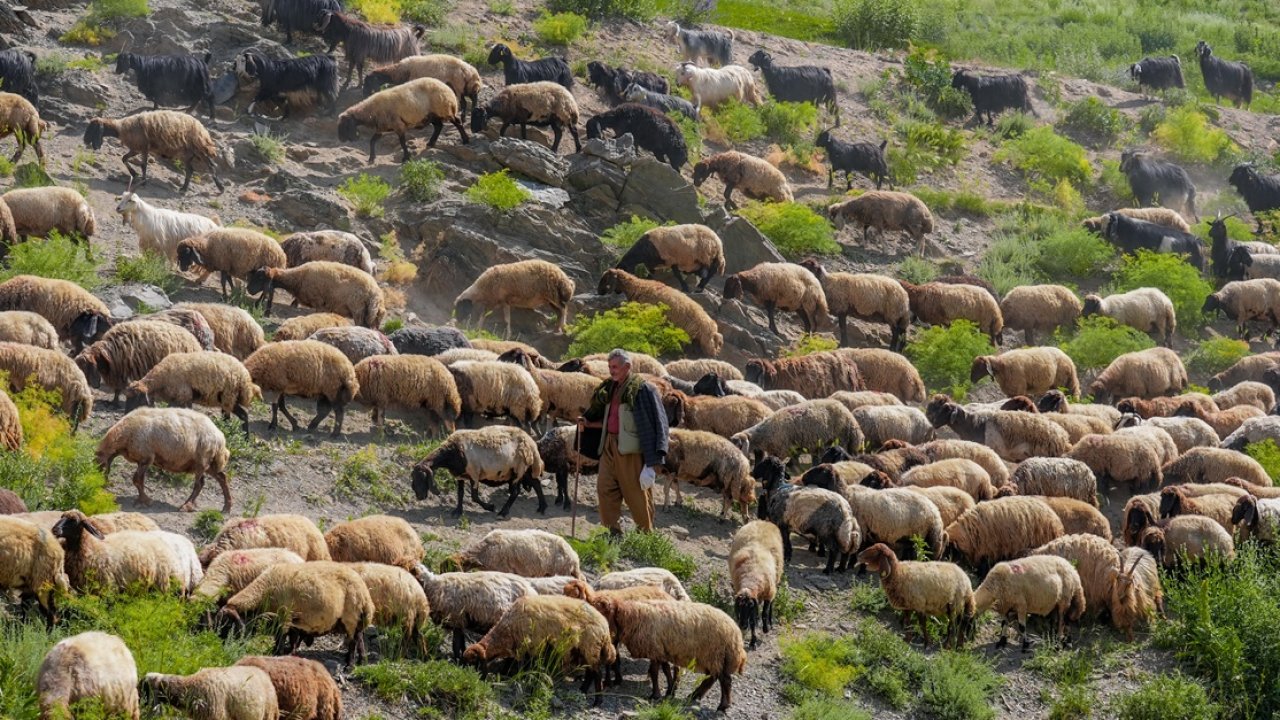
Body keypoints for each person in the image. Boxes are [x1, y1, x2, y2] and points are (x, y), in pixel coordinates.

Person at [577, 348, 669, 535]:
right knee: (604, 488)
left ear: (627, 367)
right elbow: (609, 419)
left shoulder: (644, 389)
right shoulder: (609, 388)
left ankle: (646, 537)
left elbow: (660, 424)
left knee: (636, 495)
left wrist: (652, 463)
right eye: (610, 366)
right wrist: (589, 423)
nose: (611, 370)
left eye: (615, 367)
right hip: (609, 445)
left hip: (632, 451)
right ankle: (612, 533)